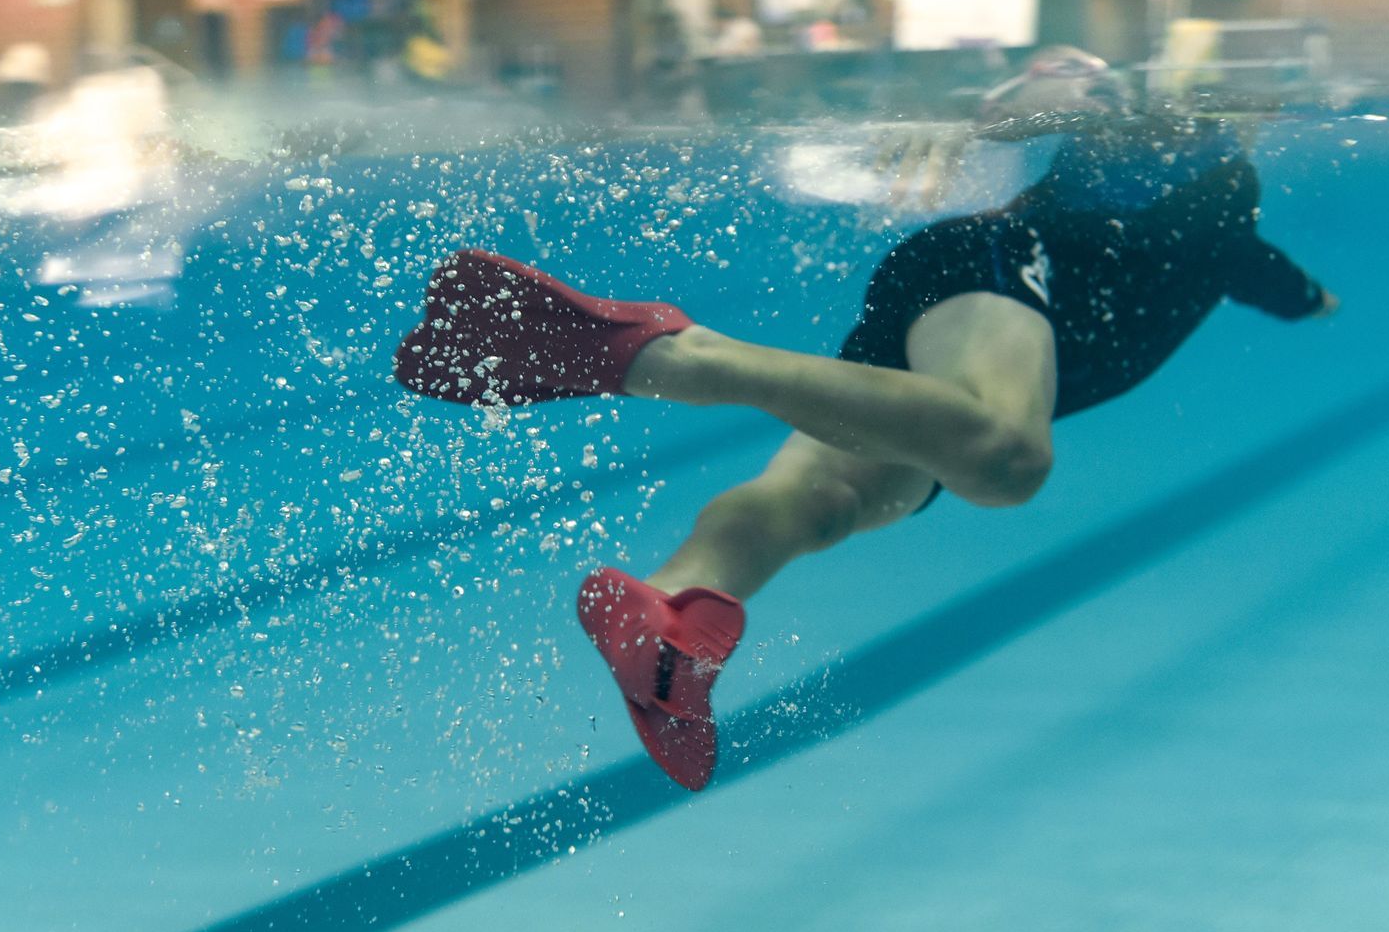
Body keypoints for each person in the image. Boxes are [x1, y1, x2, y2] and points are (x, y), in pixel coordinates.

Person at [392, 47, 1337, 792]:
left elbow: (1267, 275)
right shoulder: (1148, 125)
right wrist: (980, 115)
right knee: (1006, 458)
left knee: (818, 504)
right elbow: (1050, 96)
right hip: (995, 271)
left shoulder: (1229, 233)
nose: (1252, 112)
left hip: (955, 334)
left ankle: (670, 618)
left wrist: (1311, 300)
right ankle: (665, 354)